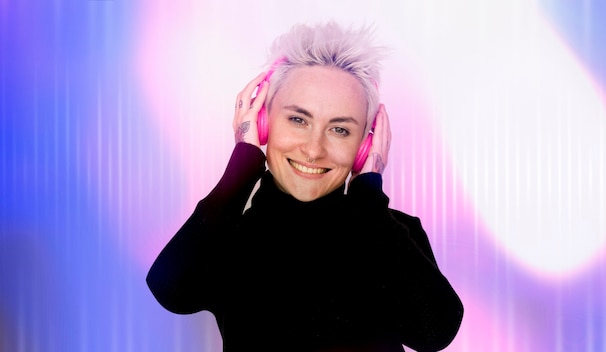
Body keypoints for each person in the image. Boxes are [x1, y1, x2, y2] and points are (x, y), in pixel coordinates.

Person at [146, 21, 463, 352]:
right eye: (298, 119)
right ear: (264, 123)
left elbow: (435, 332)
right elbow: (172, 290)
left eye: (340, 129)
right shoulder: (229, 235)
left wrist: (369, 198)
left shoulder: (392, 232)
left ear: (363, 147)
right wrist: (242, 163)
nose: (314, 149)